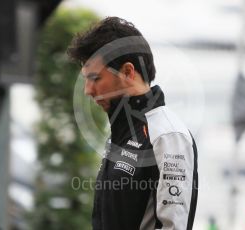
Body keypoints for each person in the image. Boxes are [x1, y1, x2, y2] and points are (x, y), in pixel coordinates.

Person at [68, 16, 198, 230]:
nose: (88, 90)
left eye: (95, 78)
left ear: (128, 72)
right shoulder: (122, 131)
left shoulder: (168, 135)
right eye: (86, 80)